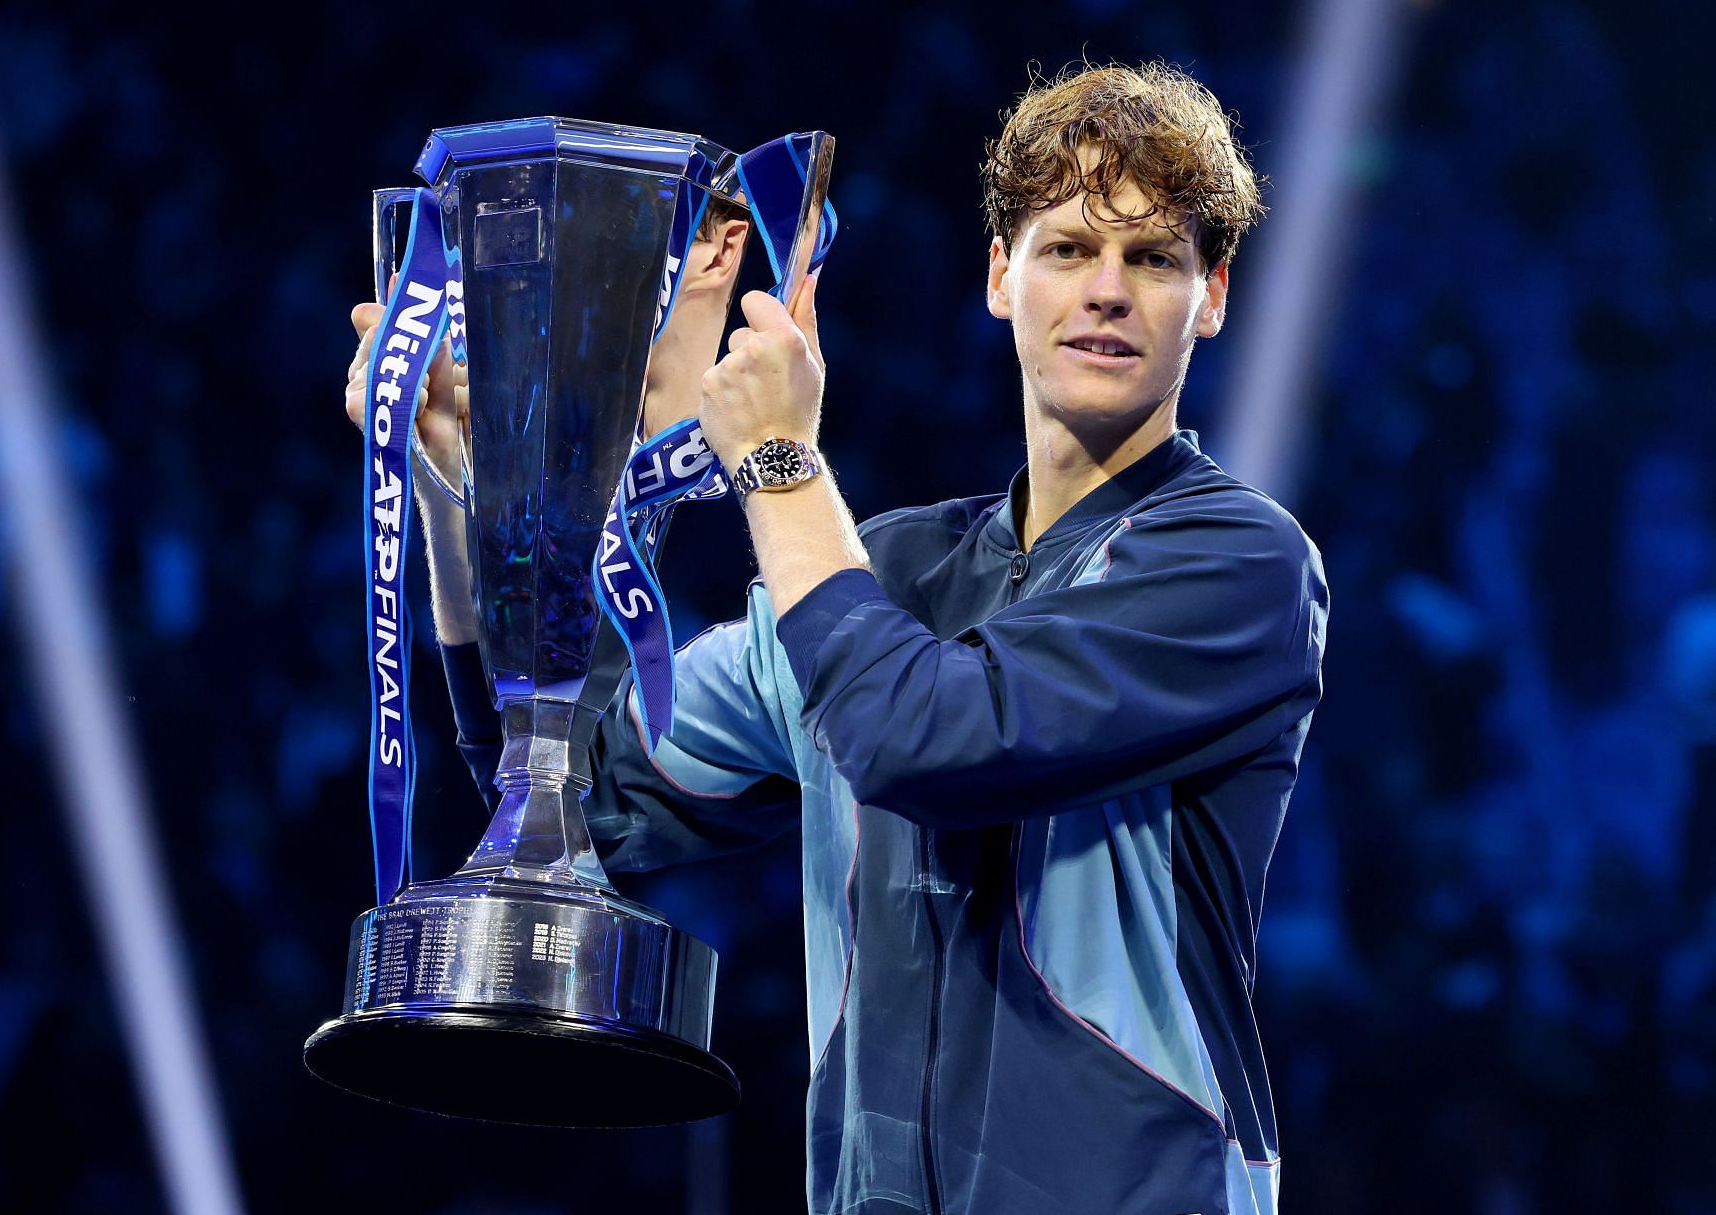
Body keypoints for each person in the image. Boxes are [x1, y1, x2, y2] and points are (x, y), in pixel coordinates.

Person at [347, 61, 1327, 1215]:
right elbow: (588, 789)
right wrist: (473, 489)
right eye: (1067, 248)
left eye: (1153, 258)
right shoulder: (889, 566)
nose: (1107, 289)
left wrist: (776, 460)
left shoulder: (1236, 564)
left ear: (1211, 296)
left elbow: (931, 739)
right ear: (1000, 276)